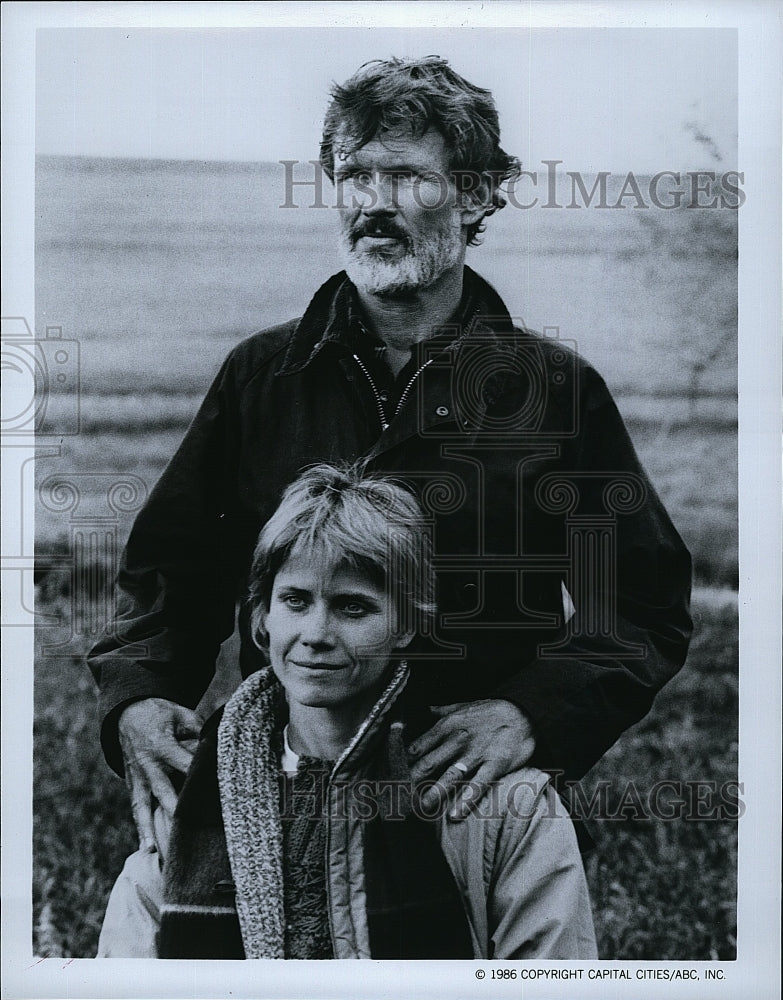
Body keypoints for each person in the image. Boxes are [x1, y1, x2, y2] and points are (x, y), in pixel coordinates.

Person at [88, 56, 692, 856]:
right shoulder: (261, 376)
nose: (373, 203)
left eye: (407, 178)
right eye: (353, 176)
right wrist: (139, 694)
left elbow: (639, 606)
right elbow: (170, 573)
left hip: (471, 807)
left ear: (475, 194)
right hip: (284, 792)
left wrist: (529, 714)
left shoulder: (553, 392)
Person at [98, 464, 597, 959]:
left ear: (406, 625)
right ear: (262, 617)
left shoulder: (511, 808)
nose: (315, 634)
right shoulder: (196, 799)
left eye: (352, 607)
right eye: (295, 600)